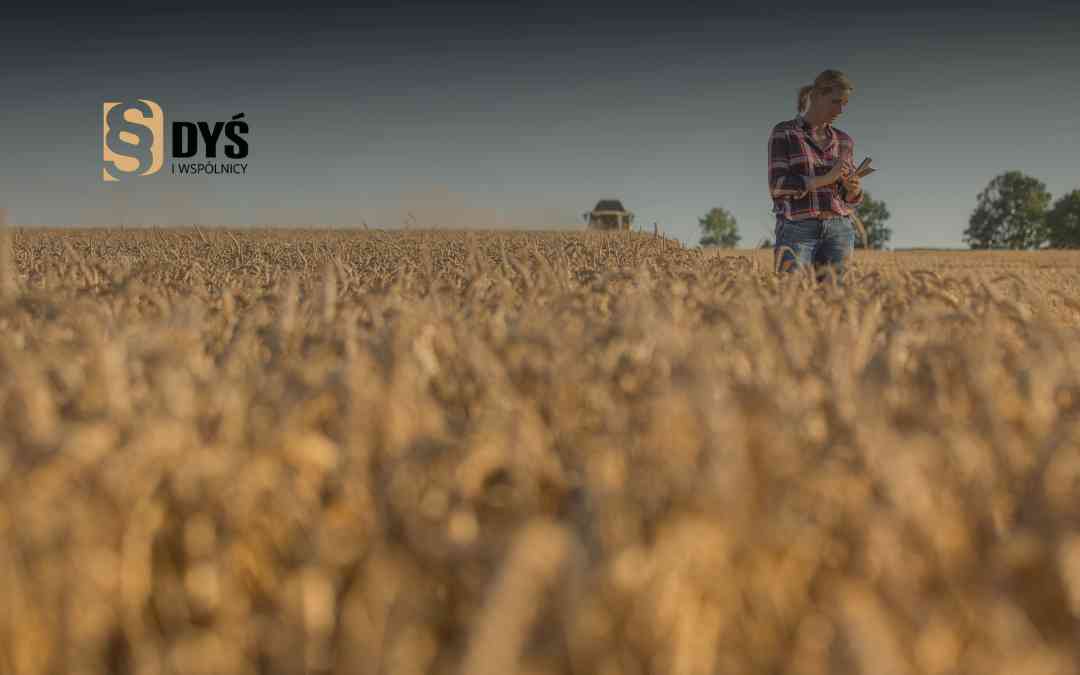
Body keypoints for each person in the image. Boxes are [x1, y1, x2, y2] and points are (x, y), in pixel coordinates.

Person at [768, 69, 864, 282]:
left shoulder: (844, 140)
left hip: (840, 228)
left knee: (838, 305)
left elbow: (848, 198)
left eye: (845, 104)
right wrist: (826, 179)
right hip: (797, 228)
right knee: (792, 298)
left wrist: (853, 190)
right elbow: (778, 186)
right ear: (818, 95)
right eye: (836, 101)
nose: (840, 109)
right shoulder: (785, 132)